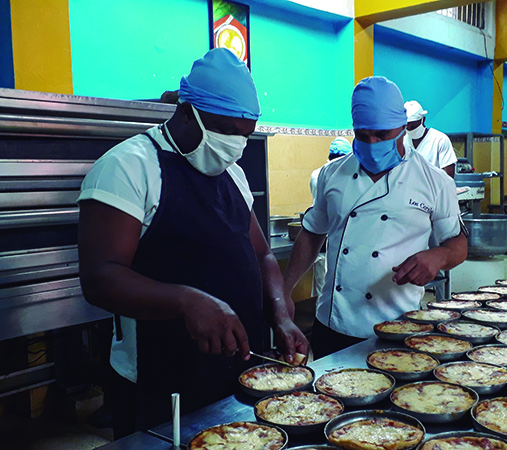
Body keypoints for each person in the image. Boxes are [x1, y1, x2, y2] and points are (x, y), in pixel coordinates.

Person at [77, 48, 309, 438]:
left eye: (245, 134)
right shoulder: (129, 167)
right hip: (162, 373)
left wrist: (281, 315)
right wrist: (187, 300)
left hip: (238, 366)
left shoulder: (230, 174)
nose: (236, 144)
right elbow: (100, 276)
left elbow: (263, 254)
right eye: (225, 130)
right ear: (186, 112)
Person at [283, 77, 467, 359]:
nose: (371, 143)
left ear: (403, 127)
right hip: (333, 323)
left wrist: (438, 257)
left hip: (399, 325)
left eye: (381, 135)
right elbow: (312, 234)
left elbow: (457, 244)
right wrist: (285, 290)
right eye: (362, 135)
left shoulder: (435, 181)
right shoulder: (332, 175)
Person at [309, 137, 352, 298]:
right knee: (330, 281)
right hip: (332, 233)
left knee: (321, 280)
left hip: (321, 235)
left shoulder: (317, 172)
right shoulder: (339, 173)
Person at [403, 100, 457, 178]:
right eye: (406, 127)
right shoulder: (403, 141)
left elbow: (448, 175)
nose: (410, 130)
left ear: (423, 120)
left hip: (434, 188)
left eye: (413, 127)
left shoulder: (440, 140)